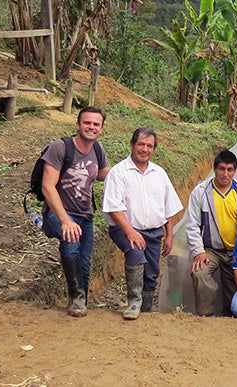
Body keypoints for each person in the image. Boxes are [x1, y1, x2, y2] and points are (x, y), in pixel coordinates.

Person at [102, 128, 184, 319]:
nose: (144, 149)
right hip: (124, 228)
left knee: (152, 271)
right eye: (141, 144)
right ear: (132, 145)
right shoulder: (118, 172)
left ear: (154, 149)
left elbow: (167, 207)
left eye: (149, 146)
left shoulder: (159, 173)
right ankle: (134, 302)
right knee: (136, 253)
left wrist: (169, 235)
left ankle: (146, 309)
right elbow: (114, 207)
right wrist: (130, 232)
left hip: (154, 231)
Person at [39, 106, 110, 317]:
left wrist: (124, 173)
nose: (91, 127)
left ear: (102, 128)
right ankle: (76, 297)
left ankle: (82, 299)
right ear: (77, 125)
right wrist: (64, 220)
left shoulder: (98, 149)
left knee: (85, 260)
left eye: (96, 124)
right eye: (87, 123)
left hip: (85, 215)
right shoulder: (60, 148)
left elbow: (99, 173)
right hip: (58, 213)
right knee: (71, 246)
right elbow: (47, 187)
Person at [183, 150, 237, 316]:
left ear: (235, 171)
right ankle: (205, 314)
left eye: (230, 169)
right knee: (199, 273)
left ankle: (230, 316)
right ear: (214, 169)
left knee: (235, 290)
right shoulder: (200, 192)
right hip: (210, 250)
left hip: (236, 250)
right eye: (221, 169)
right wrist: (198, 252)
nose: (225, 173)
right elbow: (192, 224)